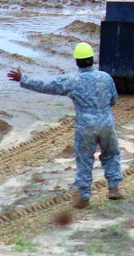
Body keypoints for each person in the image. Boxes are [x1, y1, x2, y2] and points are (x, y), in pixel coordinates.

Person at [7, 43, 124, 209]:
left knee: (84, 160)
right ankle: (114, 188)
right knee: (111, 154)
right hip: (107, 123)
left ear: (77, 62)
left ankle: (84, 197)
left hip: (85, 126)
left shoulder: (72, 81)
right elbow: (114, 100)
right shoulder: (105, 77)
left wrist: (23, 79)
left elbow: (47, 86)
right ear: (92, 59)